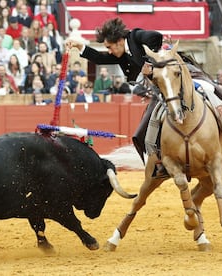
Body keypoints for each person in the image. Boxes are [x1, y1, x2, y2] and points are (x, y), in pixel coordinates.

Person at [66, 18, 167, 177]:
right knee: (141, 132)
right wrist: (80, 46)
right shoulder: (119, 55)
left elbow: (156, 36)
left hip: (168, 80)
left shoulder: (136, 36)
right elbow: (100, 59)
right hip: (156, 90)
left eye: (109, 47)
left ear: (119, 41)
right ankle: (159, 162)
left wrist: (149, 62)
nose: (110, 51)